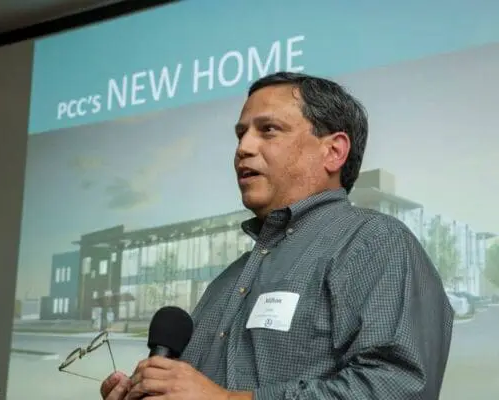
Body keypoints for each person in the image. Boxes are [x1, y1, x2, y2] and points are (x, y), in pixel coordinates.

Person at [100, 72, 454, 400]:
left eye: (268, 130)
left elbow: (398, 386)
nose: (243, 148)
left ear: (333, 151)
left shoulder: (374, 242)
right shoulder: (226, 282)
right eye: (240, 134)